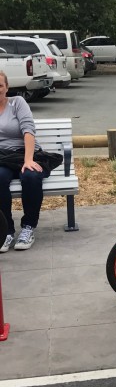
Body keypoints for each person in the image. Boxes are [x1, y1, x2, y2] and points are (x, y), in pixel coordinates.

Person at [0, 70, 49, 252]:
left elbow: (28, 130)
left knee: (31, 177)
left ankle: (28, 227)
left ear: (7, 87)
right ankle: (6, 231)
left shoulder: (17, 103)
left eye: (0, 85)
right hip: (3, 158)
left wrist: (28, 159)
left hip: (25, 153)